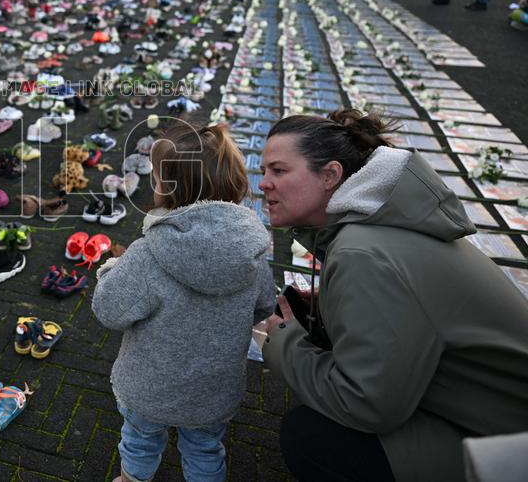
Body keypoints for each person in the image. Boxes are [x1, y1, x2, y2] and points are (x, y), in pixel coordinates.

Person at [256, 109, 528, 482]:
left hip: (509, 446)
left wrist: (282, 341)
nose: (263, 184)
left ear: (330, 175)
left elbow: (365, 404)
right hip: (494, 414)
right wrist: (329, 311)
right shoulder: (380, 221)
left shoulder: (361, 253)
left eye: (278, 171)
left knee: (311, 437)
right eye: (263, 172)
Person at [93, 121, 275, 482]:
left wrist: (110, 271)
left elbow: (108, 310)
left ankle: (132, 479)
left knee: (140, 439)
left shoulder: (148, 254)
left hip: (148, 389)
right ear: (237, 181)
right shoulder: (253, 255)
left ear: (168, 189)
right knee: (206, 448)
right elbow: (265, 307)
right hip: (214, 393)